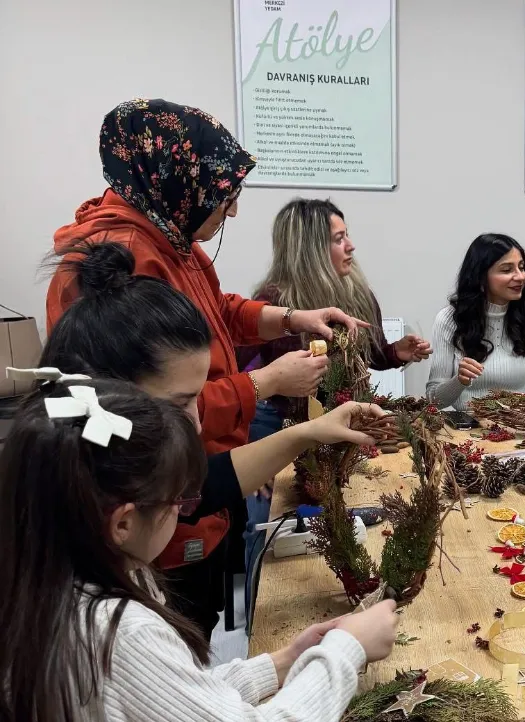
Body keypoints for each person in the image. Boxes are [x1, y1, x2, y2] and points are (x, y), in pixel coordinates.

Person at [45, 98, 364, 626]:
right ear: (177, 182)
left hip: (198, 495)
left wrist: (290, 317)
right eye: (224, 196)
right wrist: (261, 384)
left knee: (205, 628)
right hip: (165, 519)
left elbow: (219, 309)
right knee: (181, 633)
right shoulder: (126, 257)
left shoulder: (172, 237)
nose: (232, 210)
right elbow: (139, 414)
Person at [38, 241, 393, 640]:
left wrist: (311, 430)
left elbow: (204, 487)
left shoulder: (103, 479)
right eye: (183, 401)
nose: (196, 417)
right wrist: (344, 649)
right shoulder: (121, 629)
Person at [0, 377, 399, 721]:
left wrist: (284, 661)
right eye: (180, 502)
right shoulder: (120, 632)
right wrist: (347, 653)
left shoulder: (52, 588)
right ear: (123, 523)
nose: (186, 509)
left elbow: (173, 696)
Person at [238, 198, 431, 565]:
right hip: (277, 428)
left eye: (347, 235)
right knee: (262, 527)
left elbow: (365, 355)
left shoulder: (357, 293)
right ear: (309, 249)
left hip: (337, 428)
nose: (351, 246)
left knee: (341, 512)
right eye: (339, 238)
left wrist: (395, 353)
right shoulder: (274, 304)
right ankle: (255, 597)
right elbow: (242, 372)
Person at [426, 233, 525, 411]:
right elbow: (435, 400)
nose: (520, 277)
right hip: (467, 431)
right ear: (480, 277)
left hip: (519, 427)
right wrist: (459, 381)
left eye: (521, 267)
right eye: (506, 270)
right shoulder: (449, 320)